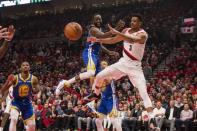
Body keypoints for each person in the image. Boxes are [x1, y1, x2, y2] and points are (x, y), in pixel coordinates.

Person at [89, 14, 155, 124]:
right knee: (100, 75)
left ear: (140, 23)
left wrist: (117, 32)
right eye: (131, 21)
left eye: (135, 21)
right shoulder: (126, 30)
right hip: (123, 63)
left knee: (143, 92)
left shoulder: (143, 34)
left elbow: (133, 39)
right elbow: (113, 40)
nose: (132, 23)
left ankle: (152, 117)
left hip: (135, 67)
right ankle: (95, 93)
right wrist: (97, 40)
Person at [55, 13, 124, 95]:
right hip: (89, 52)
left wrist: (109, 52)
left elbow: (100, 43)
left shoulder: (99, 29)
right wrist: (116, 29)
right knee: (91, 73)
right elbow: (102, 36)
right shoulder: (93, 29)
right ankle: (64, 82)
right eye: (96, 19)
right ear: (93, 21)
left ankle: (94, 93)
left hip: (95, 54)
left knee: (100, 75)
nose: (99, 20)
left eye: (100, 19)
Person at [0, 61, 39, 131]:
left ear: (29, 67)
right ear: (21, 68)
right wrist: (7, 81)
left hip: (27, 103)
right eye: (23, 65)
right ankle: (1, 128)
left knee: (32, 126)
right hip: (16, 102)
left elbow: (37, 90)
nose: (25, 66)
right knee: (14, 119)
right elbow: (3, 90)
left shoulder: (34, 78)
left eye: (27, 65)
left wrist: (35, 91)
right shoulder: (15, 78)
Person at [87, 61, 122, 131]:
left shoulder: (109, 74)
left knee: (113, 120)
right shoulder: (99, 76)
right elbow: (94, 89)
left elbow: (107, 80)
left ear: (107, 66)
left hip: (111, 99)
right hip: (103, 100)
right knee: (97, 121)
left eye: (105, 64)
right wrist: (91, 77)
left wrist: (96, 76)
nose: (103, 65)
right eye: (102, 64)